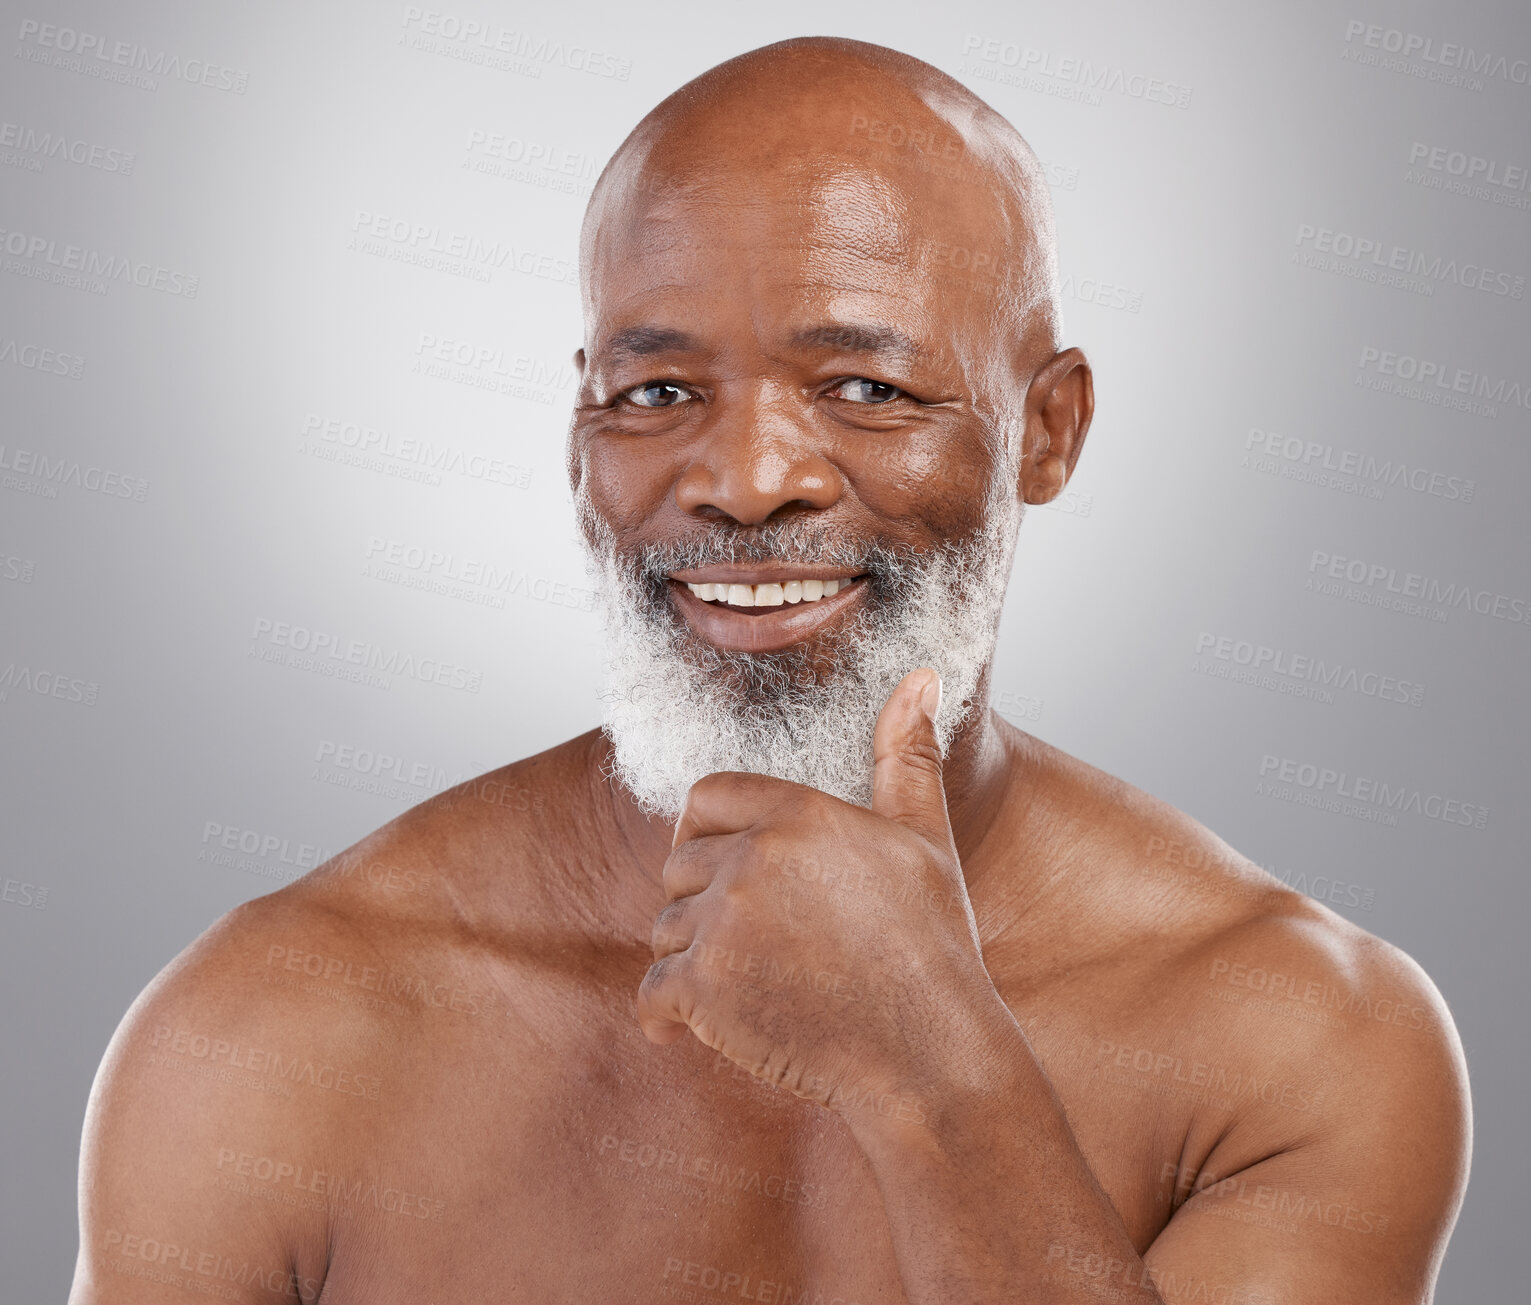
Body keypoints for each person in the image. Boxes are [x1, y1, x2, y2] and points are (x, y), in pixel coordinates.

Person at [69, 36, 1470, 1305]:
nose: (744, 484)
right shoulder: (263, 1040)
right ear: (577, 438)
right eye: (659, 392)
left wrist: (934, 1063)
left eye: (865, 388)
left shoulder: (1302, 1044)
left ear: (1048, 430)